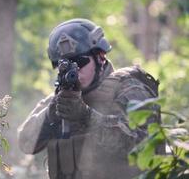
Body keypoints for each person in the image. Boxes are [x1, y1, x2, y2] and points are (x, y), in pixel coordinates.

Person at [17, 18, 160, 179]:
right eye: (63, 65)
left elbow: (144, 146)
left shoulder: (130, 89)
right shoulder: (60, 99)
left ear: (100, 57)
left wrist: (87, 117)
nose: (74, 71)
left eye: (79, 62)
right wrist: (50, 115)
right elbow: (25, 143)